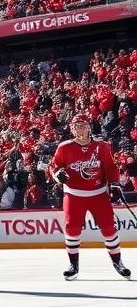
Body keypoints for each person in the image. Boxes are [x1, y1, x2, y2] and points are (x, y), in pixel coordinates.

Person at [50, 114, 131, 280]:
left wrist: (114, 184)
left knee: (109, 228)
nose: (79, 128)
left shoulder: (102, 146)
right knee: (72, 229)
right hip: (74, 194)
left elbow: (110, 167)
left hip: (98, 193)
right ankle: (73, 265)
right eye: (76, 126)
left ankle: (118, 262)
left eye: (82, 125)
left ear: (89, 127)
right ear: (72, 129)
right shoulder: (64, 147)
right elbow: (54, 166)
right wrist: (57, 174)